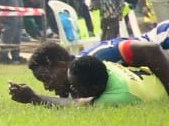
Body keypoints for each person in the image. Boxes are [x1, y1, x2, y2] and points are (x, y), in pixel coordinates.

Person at [10, 46, 169, 107]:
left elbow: (78, 105)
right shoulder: (99, 65)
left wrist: (35, 98)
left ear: (60, 64)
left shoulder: (99, 56)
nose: (47, 87)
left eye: (46, 79)